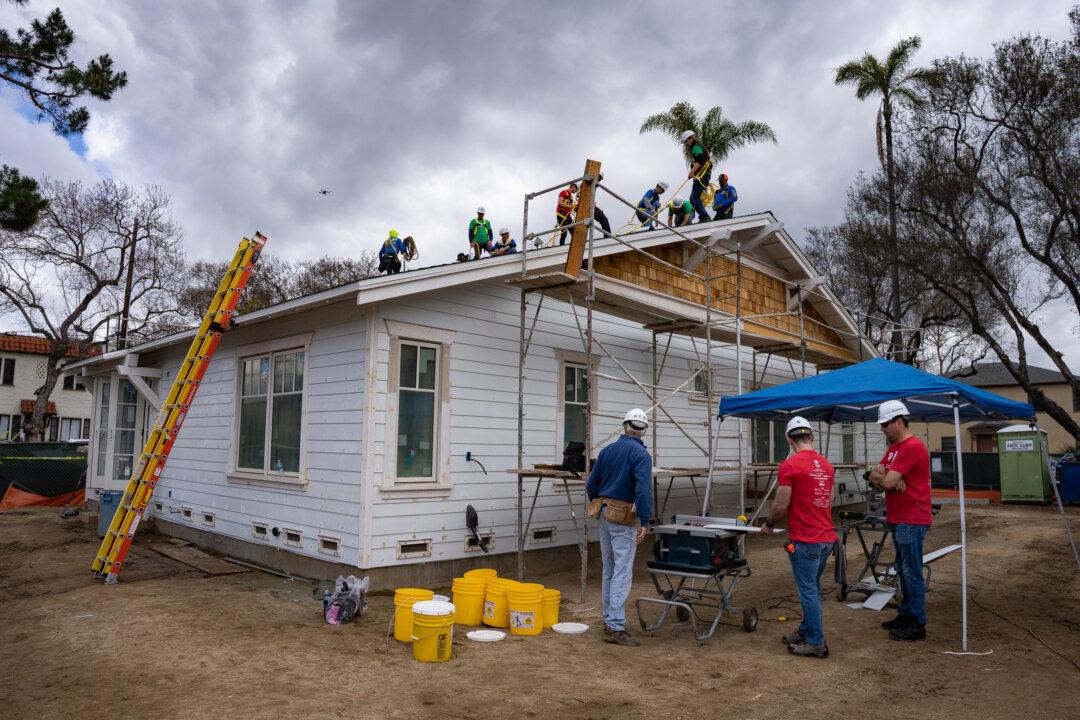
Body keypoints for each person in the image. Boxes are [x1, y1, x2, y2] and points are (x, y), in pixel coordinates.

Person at [761, 416, 837, 659]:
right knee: (812, 587)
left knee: (808, 591)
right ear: (811, 436)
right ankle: (806, 631)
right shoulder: (827, 465)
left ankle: (816, 642)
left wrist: (769, 524)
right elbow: (830, 501)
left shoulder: (789, 465)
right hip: (826, 538)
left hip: (806, 540)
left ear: (789, 439)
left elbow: (781, 504)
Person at [586, 408, 653, 647]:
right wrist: (644, 520)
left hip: (603, 511)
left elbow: (591, 484)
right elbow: (644, 490)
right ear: (643, 430)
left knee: (609, 569)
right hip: (623, 515)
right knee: (622, 572)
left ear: (624, 426)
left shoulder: (608, 451)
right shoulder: (641, 455)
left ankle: (610, 620)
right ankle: (615, 625)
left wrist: (602, 502)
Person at [868, 400, 933, 641]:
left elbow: (883, 481)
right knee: (903, 570)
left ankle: (917, 621)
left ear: (898, 421)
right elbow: (874, 474)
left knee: (911, 570)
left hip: (911, 518)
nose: (882, 429)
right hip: (901, 517)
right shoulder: (895, 448)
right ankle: (906, 613)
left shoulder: (911, 447)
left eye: (885, 424)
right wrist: (884, 476)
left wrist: (886, 477)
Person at [681, 129, 712, 223]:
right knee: (693, 198)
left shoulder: (696, 146)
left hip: (701, 176)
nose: (686, 143)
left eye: (687, 141)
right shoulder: (697, 146)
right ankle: (703, 217)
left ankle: (705, 217)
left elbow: (700, 160)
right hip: (702, 176)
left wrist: (692, 171)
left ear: (691, 138)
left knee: (694, 198)